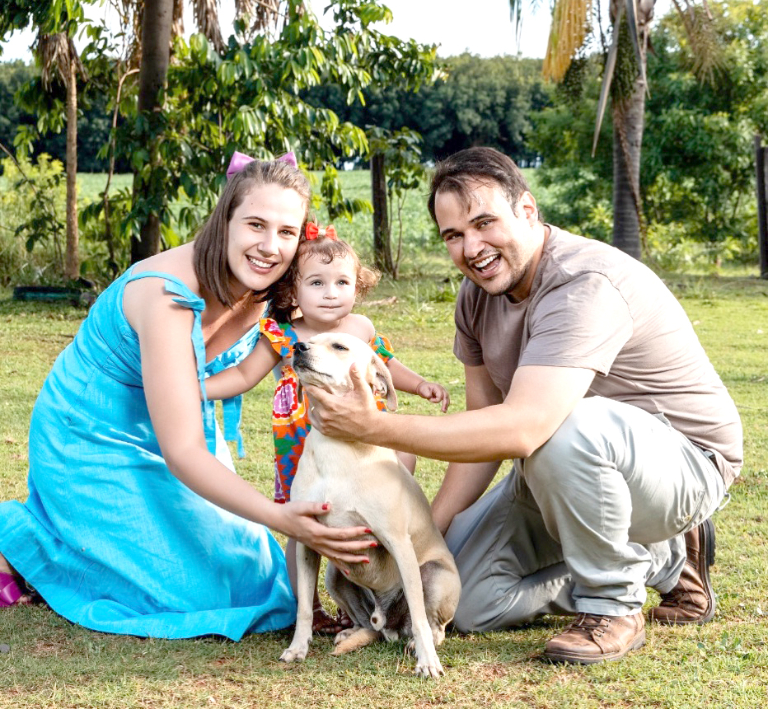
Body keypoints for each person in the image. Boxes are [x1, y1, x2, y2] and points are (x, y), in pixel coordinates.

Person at [304, 147, 743, 665]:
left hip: (682, 466)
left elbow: (522, 429)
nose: (472, 247)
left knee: (563, 426)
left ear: (528, 210)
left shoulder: (583, 284)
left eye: (484, 223)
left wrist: (373, 426)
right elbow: (482, 431)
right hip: (559, 472)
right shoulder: (477, 296)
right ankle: (660, 562)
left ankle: (613, 605)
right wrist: (430, 532)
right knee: (462, 598)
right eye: (454, 236)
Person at [0, 153, 375, 640]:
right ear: (224, 221)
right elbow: (183, 452)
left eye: (286, 232)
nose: (268, 246)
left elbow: (341, 325)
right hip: (91, 434)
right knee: (188, 592)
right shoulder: (166, 296)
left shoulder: (271, 284)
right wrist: (278, 516)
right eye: (255, 225)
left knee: (251, 577)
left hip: (180, 421)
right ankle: (22, 541)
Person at [205, 225, 450, 632]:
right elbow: (244, 376)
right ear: (292, 291)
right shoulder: (284, 335)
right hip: (302, 446)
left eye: (342, 282)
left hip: (361, 442)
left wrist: (420, 383)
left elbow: (385, 367)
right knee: (299, 526)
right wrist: (197, 387)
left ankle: (367, 591)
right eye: (317, 283)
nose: (331, 292)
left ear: (357, 287)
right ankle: (309, 606)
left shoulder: (361, 330)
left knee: (375, 505)